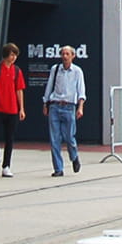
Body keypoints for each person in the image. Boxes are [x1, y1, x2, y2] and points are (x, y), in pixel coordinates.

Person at [42, 45, 86, 176]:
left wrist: (80, 107)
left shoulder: (77, 71)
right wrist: (46, 103)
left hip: (69, 106)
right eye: (63, 54)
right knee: (54, 138)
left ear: (73, 56)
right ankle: (58, 169)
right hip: (55, 105)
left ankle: (74, 156)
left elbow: (81, 90)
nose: (65, 56)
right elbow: (49, 86)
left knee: (69, 137)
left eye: (67, 54)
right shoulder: (55, 70)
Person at [0, 42, 27, 177]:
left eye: (15, 55)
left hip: (12, 109)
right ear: (6, 54)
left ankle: (6, 165)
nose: (13, 57)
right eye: (12, 54)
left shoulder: (16, 71)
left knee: (10, 138)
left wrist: (22, 109)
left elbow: (19, 90)